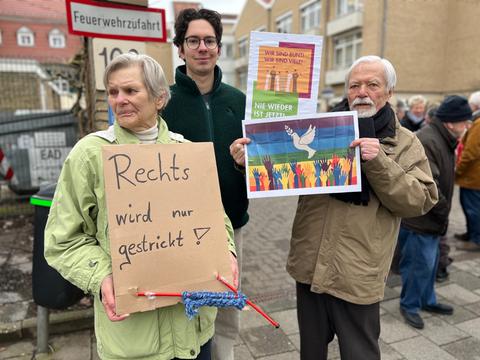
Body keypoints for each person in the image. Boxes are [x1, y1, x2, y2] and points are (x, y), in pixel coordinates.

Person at [231, 55, 438, 360]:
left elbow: (420, 200)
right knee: (312, 352)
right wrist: (247, 161)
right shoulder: (319, 127)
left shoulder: (404, 142)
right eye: (354, 85)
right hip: (310, 264)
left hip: (358, 272)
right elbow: (279, 172)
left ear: (389, 92)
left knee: (360, 352)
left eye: (372, 84)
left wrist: (378, 162)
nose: (362, 92)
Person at [44, 53, 238, 360]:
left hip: (193, 331)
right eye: (113, 92)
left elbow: (218, 220)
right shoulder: (90, 154)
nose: (119, 100)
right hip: (135, 340)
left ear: (160, 98)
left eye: (130, 91)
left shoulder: (186, 153)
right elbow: (62, 240)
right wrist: (101, 277)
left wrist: (227, 251)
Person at [162, 9, 248, 360]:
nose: (202, 47)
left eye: (209, 40)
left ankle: (223, 355)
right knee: (188, 302)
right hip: (181, 226)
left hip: (231, 222)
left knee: (226, 300)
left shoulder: (238, 101)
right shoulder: (163, 102)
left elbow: (259, 165)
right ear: (180, 49)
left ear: (218, 47)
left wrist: (245, 166)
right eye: (193, 40)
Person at [398, 95, 472, 329]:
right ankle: (409, 305)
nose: (467, 126)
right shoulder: (430, 140)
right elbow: (429, 185)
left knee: (428, 265)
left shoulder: (443, 137)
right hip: (422, 218)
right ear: (451, 122)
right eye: (465, 122)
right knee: (417, 265)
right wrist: (442, 212)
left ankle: (427, 300)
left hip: (433, 217)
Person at [454, 91, 480, 242]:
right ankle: (471, 234)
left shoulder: (478, 124)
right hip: (474, 176)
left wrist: (459, 170)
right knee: (472, 208)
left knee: (473, 210)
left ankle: (476, 239)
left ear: (475, 105)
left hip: (473, 176)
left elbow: (470, 152)